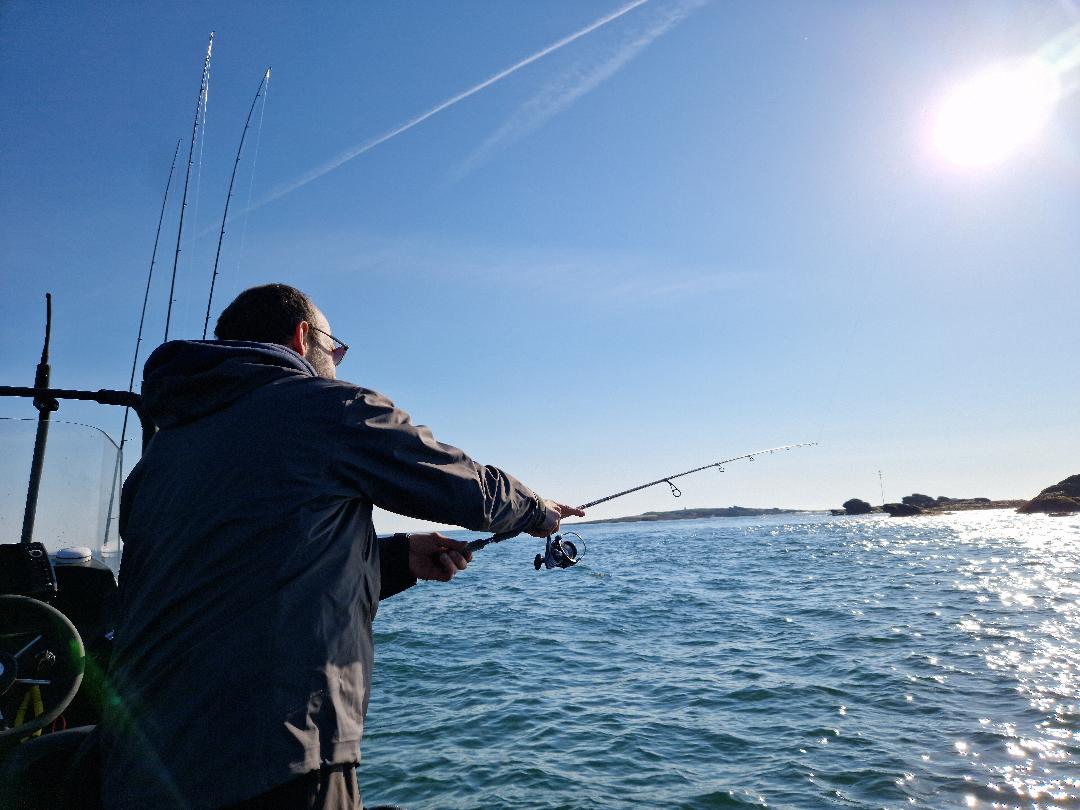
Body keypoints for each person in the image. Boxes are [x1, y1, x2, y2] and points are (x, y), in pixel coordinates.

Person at [99, 283, 583, 809]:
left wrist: (397, 559)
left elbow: (246, 571)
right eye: (336, 348)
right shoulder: (326, 407)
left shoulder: (161, 455)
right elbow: (467, 490)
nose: (337, 361)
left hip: (141, 763)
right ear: (303, 336)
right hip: (271, 756)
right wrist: (538, 510)